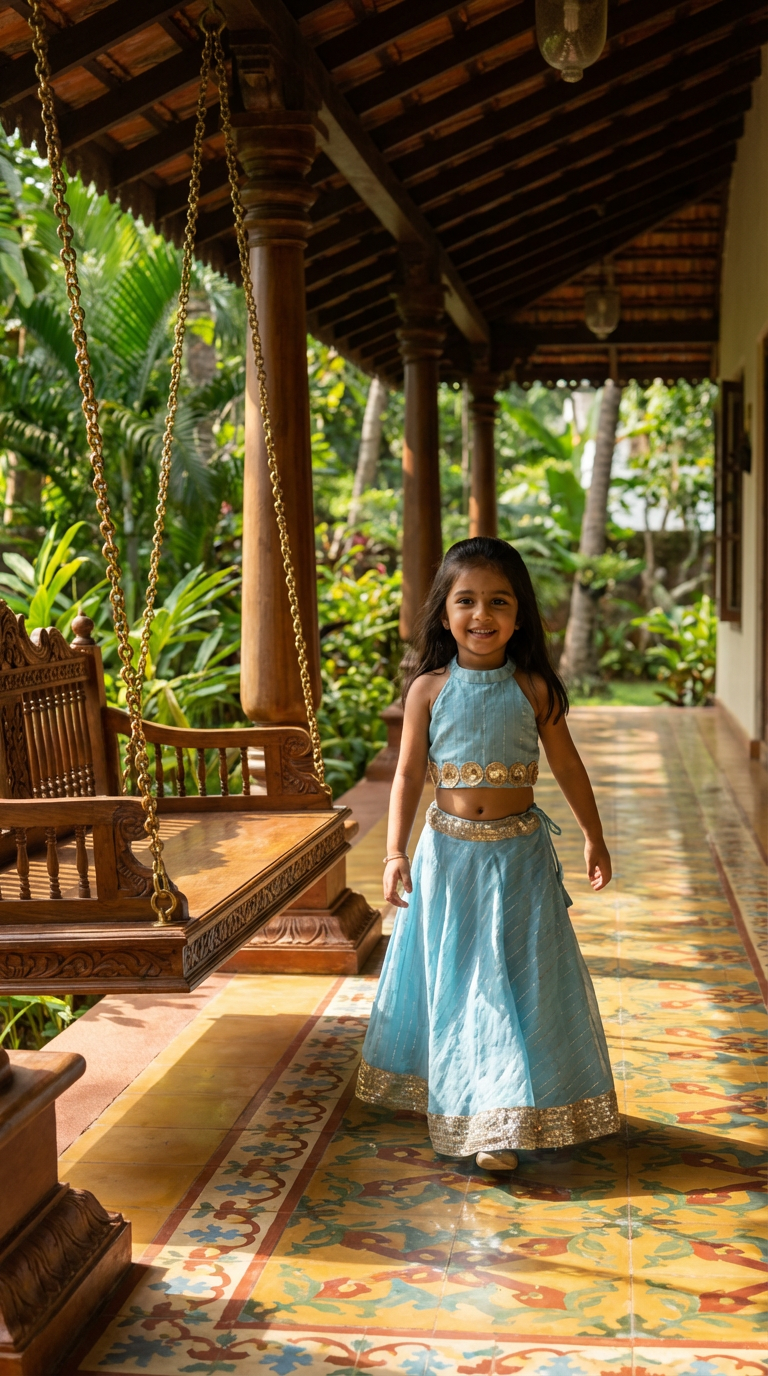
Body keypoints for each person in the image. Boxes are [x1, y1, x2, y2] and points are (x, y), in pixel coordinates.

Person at [356, 536, 619, 1172]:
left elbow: (568, 765)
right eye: (466, 600)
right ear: (444, 614)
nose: (482, 615)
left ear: (520, 614)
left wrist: (594, 833)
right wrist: (395, 852)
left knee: (512, 980)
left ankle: (500, 1116)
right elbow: (409, 776)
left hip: (520, 858)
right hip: (449, 859)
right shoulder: (427, 689)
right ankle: (482, 1117)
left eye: (498, 601)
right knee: (465, 984)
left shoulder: (534, 689)